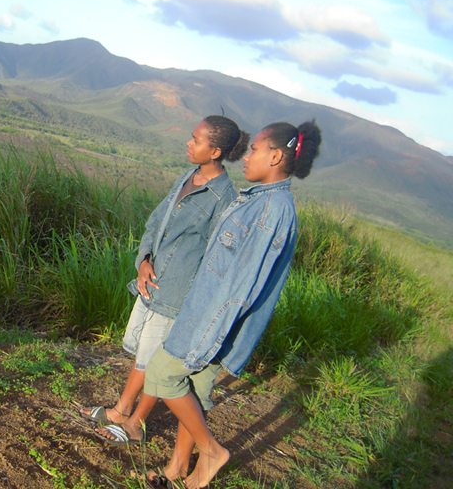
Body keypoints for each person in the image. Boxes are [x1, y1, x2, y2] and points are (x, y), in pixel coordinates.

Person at [140, 120, 322, 488]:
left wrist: (203, 333)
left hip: (213, 320)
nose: (247, 156)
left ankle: (212, 452)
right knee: (194, 392)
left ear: (274, 155)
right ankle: (178, 470)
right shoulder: (264, 200)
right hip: (215, 318)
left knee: (161, 373)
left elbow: (241, 286)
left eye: (254, 149)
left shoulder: (272, 210)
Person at [78, 116, 249, 444]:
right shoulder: (189, 176)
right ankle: (121, 409)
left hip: (177, 291)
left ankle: (134, 423)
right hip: (154, 280)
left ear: (214, 151)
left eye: (196, 140)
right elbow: (157, 221)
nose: (189, 143)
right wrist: (143, 260)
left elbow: (216, 258)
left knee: (155, 358)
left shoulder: (223, 197)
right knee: (144, 350)